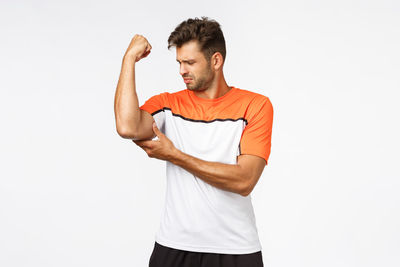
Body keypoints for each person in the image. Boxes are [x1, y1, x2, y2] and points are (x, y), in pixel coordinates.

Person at [114, 17, 273, 267]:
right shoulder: (168, 103)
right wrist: (128, 60)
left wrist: (174, 155)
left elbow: (245, 180)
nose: (182, 71)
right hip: (174, 245)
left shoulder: (255, 105)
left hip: (236, 248)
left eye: (189, 62)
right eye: (179, 62)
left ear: (216, 60)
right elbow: (126, 126)